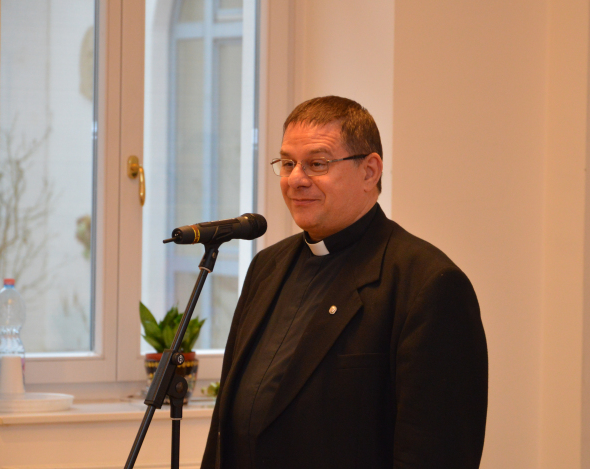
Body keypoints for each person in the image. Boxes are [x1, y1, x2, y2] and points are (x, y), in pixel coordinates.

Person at [201, 96, 488, 469]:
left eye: (317, 164)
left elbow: (436, 453)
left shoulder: (428, 285)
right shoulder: (266, 267)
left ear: (369, 171)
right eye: (287, 163)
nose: (296, 179)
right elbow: (227, 423)